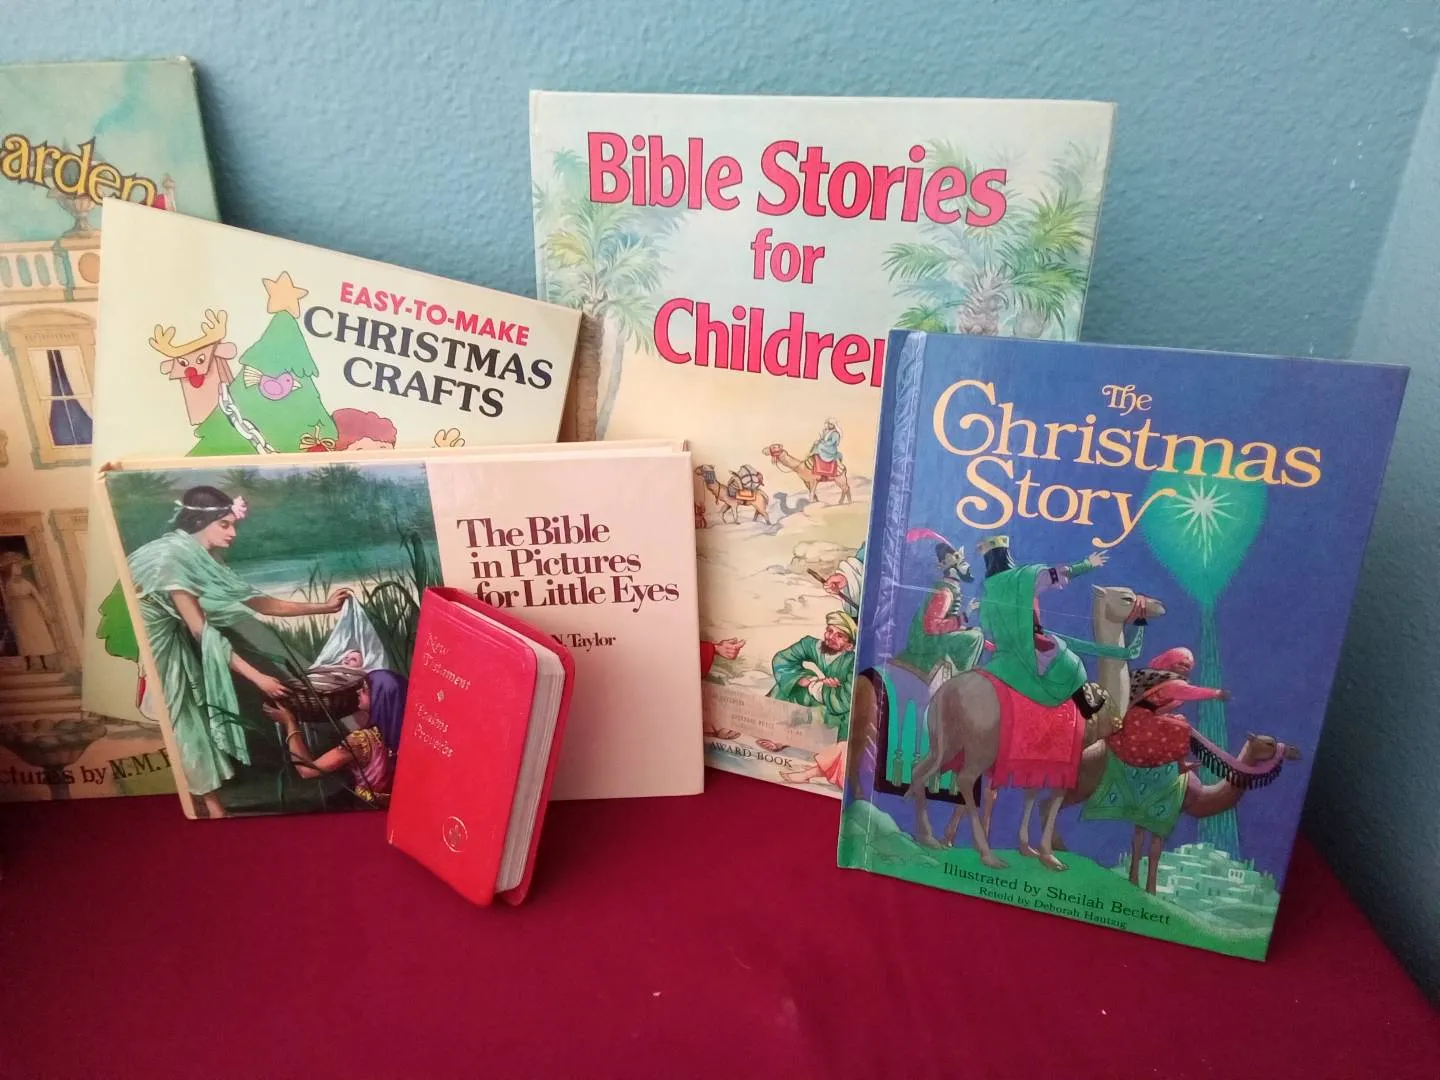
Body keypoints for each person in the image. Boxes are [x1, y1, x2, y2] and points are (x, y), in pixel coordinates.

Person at [124, 485, 349, 819]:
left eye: (233, 525)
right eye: (225, 525)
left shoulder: (203, 556)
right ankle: (213, 808)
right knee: (186, 721)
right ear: (200, 523)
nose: (232, 533)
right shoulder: (171, 561)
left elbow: (261, 603)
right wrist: (259, 678)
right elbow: (203, 632)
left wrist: (323, 607)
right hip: (161, 648)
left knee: (193, 720)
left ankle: (213, 806)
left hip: (177, 638)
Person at [976, 534, 1140, 717]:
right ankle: (1085, 707)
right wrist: (1087, 564)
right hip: (1030, 644)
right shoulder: (1023, 577)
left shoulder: (988, 589)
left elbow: (986, 623)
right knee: (1072, 664)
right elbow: (1057, 574)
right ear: (1006, 557)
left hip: (1004, 649)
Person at [263, 668, 409, 806]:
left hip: (364, 808)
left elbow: (307, 771)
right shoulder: (408, 736)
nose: (358, 692)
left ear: (380, 698)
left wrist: (290, 722)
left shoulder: (360, 741)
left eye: (364, 690)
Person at [768, 611, 856, 786]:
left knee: (850, 720)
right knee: (787, 684)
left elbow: (847, 699)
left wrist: (822, 689)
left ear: (849, 646)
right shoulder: (812, 645)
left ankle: (824, 765)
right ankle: (779, 733)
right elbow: (782, 659)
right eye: (829, 630)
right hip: (824, 694)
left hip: (839, 708)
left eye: (840, 636)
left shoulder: (853, 662)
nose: (831, 637)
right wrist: (805, 679)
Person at [1108, 647, 1229, 769]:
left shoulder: (1155, 678)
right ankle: (1178, 764)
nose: (1184, 668)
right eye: (1180, 663)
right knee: (1182, 728)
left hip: (1142, 717)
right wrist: (1216, 693)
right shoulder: (1171, 682)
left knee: (1180, 719)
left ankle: (1181, 764)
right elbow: (1189, 692)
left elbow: (1158, 708)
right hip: (1140, 721)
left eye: (1187, 666)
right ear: (1170, 662)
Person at [894, 542, 985, 681]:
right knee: (974, 638)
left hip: (931, 636)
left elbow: (946, 622)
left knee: (976, 632)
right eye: (962, 563)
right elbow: (932, 627)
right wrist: (965, 615)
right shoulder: (945, 593)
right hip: (924, 641)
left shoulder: (951, 589)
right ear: (952, 569)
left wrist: (964, 626)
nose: (967, 566)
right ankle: (958, 679)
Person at [0, 552, 58, 671]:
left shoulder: (27, 583)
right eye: (15, 568)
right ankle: (28, 663)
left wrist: (46, 610)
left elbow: (38, 597)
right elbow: (8, 601)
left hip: (32, 611)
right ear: (11, 570)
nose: (18, 569)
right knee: (24, 638)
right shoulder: (9, 585)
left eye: (19, 567)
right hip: (19, 614)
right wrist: (10, 614)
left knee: (37, 634)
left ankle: (43, 662)